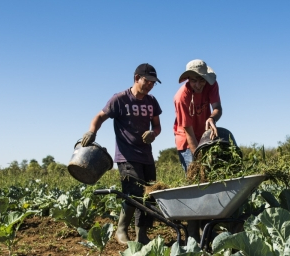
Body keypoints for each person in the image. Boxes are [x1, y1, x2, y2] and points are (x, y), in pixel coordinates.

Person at [80, 63, 162, 245]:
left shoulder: (152, 102)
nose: (150, 85)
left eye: (153, 83)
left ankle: (142, 234)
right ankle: (121, 230)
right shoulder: (120, 99)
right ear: (136, 78)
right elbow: (99, 116)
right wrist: (91, 132)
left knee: (149, 195)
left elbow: (157, 126)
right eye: (147, 81)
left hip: (146, 156)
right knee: (133, 193)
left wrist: (153, 133)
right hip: (126, 155)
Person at [173, 59, 222, 172]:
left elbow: (217, 108)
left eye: (202, 80)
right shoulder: (181, 98)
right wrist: (199, 159)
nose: (198, 85)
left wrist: (212, 118)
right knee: (196, 173)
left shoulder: (211, 84)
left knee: (212, 171)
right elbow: (188, 131)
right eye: (194, 81)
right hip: (186, 139)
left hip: (204, 135)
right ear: (188, 79)